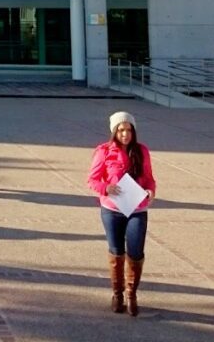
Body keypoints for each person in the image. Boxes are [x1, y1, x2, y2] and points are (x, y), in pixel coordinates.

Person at [86, 111, 156, 317]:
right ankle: (117, 294)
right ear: (114, 131)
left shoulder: (141, 151)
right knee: (116, 251)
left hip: (137, 209)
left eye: (129, 130)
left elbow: (149, 178)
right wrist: (105, 188)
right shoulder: (104, 151)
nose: (125, 134)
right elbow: (92, 180)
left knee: (136, 252)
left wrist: (151, 190)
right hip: (112, 209)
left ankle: (131, 295)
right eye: (121, 130)